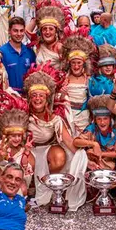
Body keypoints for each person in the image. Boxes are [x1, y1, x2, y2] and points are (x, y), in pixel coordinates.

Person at [24, 65, 87, 210]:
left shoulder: (55, 118)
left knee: (60, 157)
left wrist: (85, 158)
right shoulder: (23, 116)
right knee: (26, 163)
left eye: (41, 96)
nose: (38, 99)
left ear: (47, 99)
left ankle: (53, 189)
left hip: (48, 149)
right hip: (29, 150)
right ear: (29, 99)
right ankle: (27, 190)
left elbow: (69, 141)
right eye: (34, 96)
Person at [73, 95, 116, 173]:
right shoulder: (92, 128)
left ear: (110, 119)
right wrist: (94, 144)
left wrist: (101, 153)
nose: (102, 122)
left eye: (105, 119)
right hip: (94, 162)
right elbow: (76, 142)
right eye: (99, 119)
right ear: (95, 120)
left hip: (110, 162)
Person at [61, 31, 97, 135]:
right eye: (73, 63)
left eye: (79, 63)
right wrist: (62, 94)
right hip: (69, 116)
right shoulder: (64, 79)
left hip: (84, 117)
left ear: (84, 64)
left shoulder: (89, 80)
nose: (76, 66)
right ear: (69, 64)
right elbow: (59, 101)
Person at [0, 16, 36, 94]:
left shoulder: (29, 52)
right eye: (15, 31)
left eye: (21, 31)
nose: (19, 34)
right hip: (9, 96)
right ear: (9, 31)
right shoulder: (1, 52)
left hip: (27, 96)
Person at [27, 1, 65, 69]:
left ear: (56, 31)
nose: (47, 32)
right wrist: (38, 16)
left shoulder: (60, 47)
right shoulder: (39, 44)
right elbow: (27, 30)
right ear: (41, 32)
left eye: (51, 29)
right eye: (44, 29)